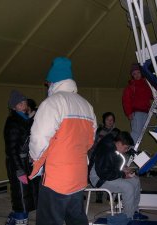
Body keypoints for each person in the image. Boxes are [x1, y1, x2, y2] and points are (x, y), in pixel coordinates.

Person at [28, 57, 97, 225]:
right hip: (79, 175)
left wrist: (35, 159)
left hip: (56, 177)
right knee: (76, 217)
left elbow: (39, 138)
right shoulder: (86, 105)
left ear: (53, 81)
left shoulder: (52, 103)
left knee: (50, 219)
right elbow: (90, 140)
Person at [89, 131, 148, 220]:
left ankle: (134, 211)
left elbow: (113, 164)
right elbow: (104, 173)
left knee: (135, 181)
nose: (126, 150)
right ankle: (127, 217)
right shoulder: (106, 150)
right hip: (98, 178)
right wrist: (123, 175)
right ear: (119, 143)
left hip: (107, 173)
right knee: (128, 187)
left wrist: (124, 169)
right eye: (126, 148)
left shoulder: (114, 145)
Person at [4, 90, 39, 225]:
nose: (23, 104)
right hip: (17, 163)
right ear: (13, 107)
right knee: (22, 198)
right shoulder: (12, 122)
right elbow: (11, 149)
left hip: (27, 163)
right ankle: (18, 219)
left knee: (29, 198)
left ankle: (13, 217)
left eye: (24, 101)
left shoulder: (26, 120)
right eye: (19, 103)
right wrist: (19, 170)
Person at [88, 112, 120, 203]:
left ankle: (113, 193)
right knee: (99, 173)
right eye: (108, 120)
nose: (110, 122)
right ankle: (99, 194)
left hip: (112, 157)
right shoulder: (99, 131)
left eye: (112, 120)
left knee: (113, 173)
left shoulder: (117, 132)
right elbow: (93, 145)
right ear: (104, 121)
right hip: (99, 157)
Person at [122, 63, 153, 144]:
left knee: (141, 134)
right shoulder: (131, 87)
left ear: (141, 73)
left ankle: (134, 149)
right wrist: (129, 113)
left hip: (146, 112)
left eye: (138, 72)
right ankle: (129, 149)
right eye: (134, 74)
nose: (137, 75)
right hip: (137, 112)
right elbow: (126, 100)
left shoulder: (147, 85)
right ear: (132, 75)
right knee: (136, 132)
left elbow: (152, 95)